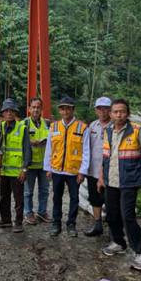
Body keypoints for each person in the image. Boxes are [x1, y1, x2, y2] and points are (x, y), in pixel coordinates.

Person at [98, 98, 141, 271]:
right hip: (111, 180)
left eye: (122, 111)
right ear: (110, 114)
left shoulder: (137, 130)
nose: (119, 115)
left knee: (128, 216)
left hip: (129, 181)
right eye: (115, 112)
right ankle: (118, 242)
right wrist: (101, 178)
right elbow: (105, 156)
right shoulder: (108, 131)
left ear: (127, 113)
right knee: (111, 214)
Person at [44, 95, 90, 237]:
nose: (65, 111)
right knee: (56, 198)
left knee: (74, 199)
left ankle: (71, 224)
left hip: (74, 171)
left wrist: (82, 171)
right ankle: (56, 223)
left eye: (68, 108)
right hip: (57, 169)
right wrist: (48, 168)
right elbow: (49, 148)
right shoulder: (54, 126)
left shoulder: (82, 127)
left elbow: (86, 151)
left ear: (73, 109)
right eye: (63, 109)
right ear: (60, 110)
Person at [0, 98, 31, 233]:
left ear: (15, 113)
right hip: (4, 170)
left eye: (11, 110)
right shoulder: (0, 127)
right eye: (6, 111)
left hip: (17, 172)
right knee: (4, 197)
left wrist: (24, 169)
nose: (9, 113)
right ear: (3, 113)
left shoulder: (22, 128)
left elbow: (27, 150)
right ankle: (6, 220)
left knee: (18, 199)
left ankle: (18, 222)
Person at [83, 96, 112, 237]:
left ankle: (113, 229)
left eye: (106, 108)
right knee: (95, 199)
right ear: (96, 110)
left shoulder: (115, 126)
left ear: (110, 110)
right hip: (93, 170)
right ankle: (97, 225)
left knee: (111, 201)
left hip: (110, 172)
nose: (103, 111)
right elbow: (85, 147)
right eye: (100, 108)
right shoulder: (92, 126)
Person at [23, 97, 50, 225]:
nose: (36, 110)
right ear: (29, 109)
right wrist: (29, 142)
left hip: (44, 164)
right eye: (33, 107)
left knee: (44, 190)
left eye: (38, 107)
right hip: (30, 164)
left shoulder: (47, 124)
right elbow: (19, 141)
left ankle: (42, 212)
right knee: (28, 191)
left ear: (41, 109)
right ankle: (28, 213)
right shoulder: (24, 124)